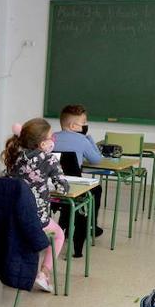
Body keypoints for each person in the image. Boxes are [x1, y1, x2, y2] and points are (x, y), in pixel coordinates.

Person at [3, 119, 68, 293]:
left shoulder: (14, 155)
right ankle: (44, 274)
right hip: (35, 219)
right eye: (50, 136)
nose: (53, 139)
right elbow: (63, 188)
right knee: (58, 235)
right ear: (42, 143)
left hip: (11, 216)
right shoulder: (49, 159)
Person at [51, 104, 104, 249]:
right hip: (74, 187)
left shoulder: (51, 137)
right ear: (74, 126)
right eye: (84, 123)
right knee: (97, 190)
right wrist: (90, 139)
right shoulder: (82, 140)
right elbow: (96, 160)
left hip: (51, 187)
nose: (86, 125)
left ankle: (64, 223)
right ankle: (91, 226)